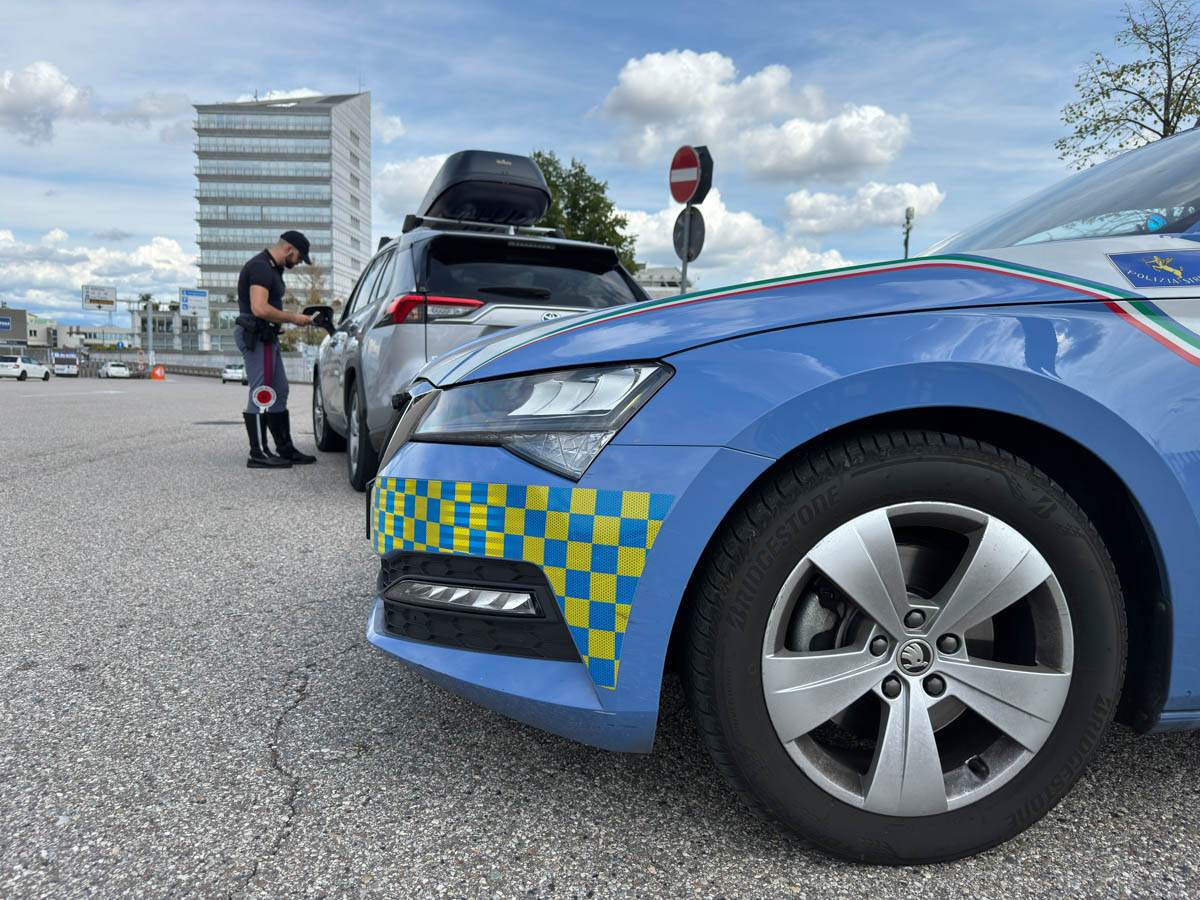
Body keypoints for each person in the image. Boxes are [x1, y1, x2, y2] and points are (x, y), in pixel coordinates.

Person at [235, 230, 318, 469]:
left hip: (267, 335)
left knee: (279, 390)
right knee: (262, 392)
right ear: (289, 249)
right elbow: (259, 308)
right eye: (300, 257)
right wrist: (293, 317)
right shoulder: (261, 267)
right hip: (256, 334)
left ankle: (285, 448)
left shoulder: (273, 268)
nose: (299, 262)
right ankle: (258, 453)